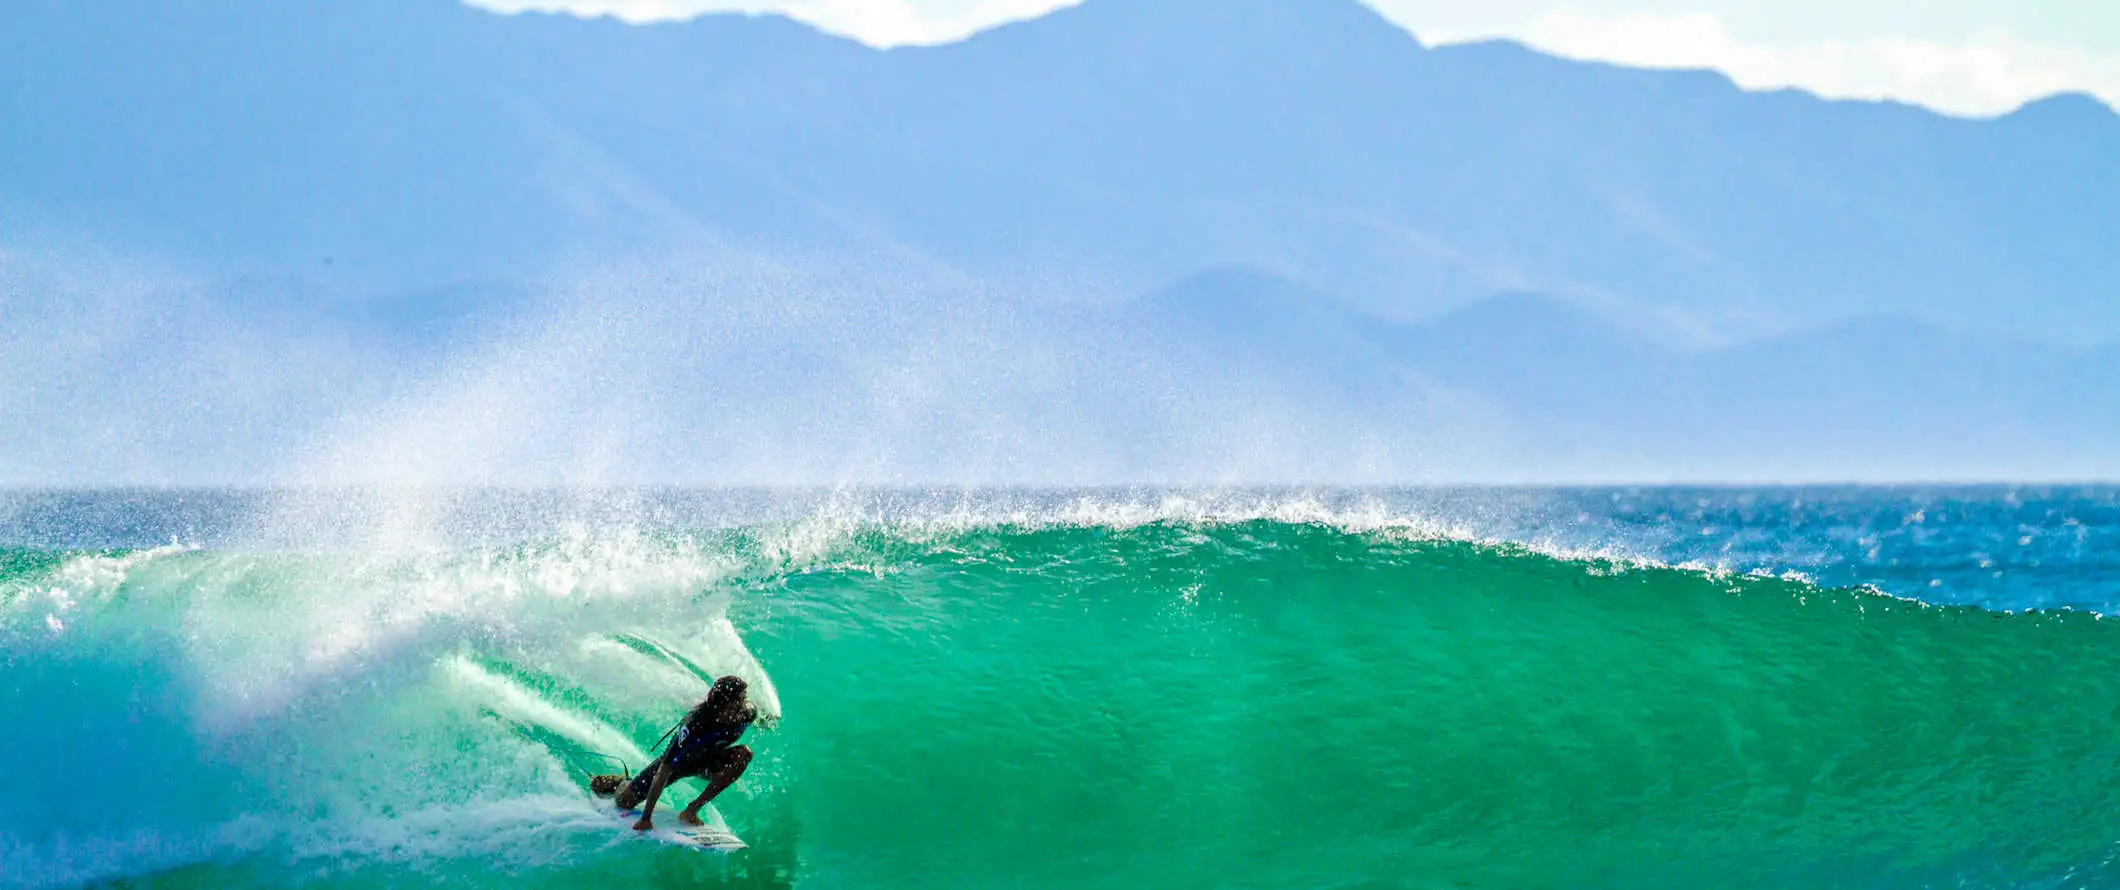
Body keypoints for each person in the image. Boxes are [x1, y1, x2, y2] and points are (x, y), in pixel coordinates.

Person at [615, 675, 759, 831]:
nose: (739, 710)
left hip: (709, 762)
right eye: (734, 706)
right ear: (719, 705)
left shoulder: (747, 713)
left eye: (742, 702)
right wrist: (645, 819)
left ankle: (692, 810)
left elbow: (759, 717)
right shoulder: (696, 724)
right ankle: (622, 782)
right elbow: (664, 770)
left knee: (744, 754)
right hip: (679, 765)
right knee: (624, 802)